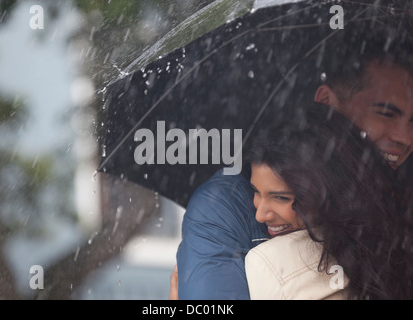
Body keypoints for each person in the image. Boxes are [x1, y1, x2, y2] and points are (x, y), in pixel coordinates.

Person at [172, 14, 413, 300]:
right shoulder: (226, 208)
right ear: (327, 105)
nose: (406, 138)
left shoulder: (398, 197)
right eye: (385, 113)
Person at [244, 104, 412, 299]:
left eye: (281, 197)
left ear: (332, 191)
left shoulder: (269, 262)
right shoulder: (394, 239)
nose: (260, 215)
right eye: (256, 191)